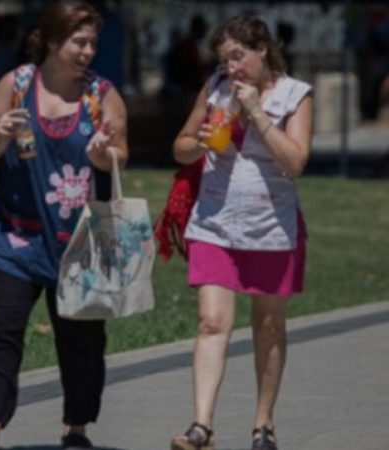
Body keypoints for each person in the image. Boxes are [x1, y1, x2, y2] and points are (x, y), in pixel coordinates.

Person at [0, 2, 129, 449]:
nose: (89, 51)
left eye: (92, 43)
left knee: (82, 342)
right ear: (53, 41)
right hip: (16, 236)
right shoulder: (16, 85)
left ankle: (76, 429)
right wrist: (3, 133)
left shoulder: (101, 95)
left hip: (80, 242)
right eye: (79, 42)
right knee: (2, 331)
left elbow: (121, 155)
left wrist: (102, 154)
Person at [169, 15, 313, 450]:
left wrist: (255, 113)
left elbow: (295, 163)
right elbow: (180, 145)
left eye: (238, 57)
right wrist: (201, 141)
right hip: (215, 221)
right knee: (212, 322)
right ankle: (201, 427)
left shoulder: (295, 95)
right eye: (224, 59)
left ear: (262, 50)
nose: (230, 68)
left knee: (268, 326)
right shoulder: (214, 87)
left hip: (271, 227)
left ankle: (263, 425)